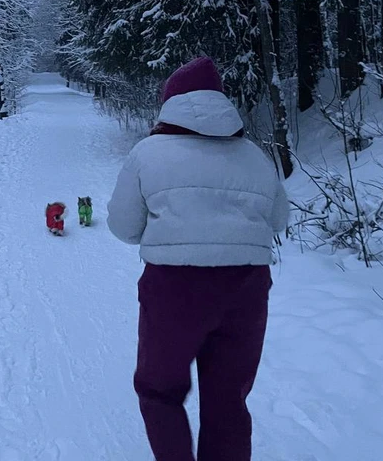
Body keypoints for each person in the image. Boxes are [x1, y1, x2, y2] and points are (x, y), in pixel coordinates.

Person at [107, 57, 289, 461]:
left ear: (171, 102)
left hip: (174, 289)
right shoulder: (254, 155)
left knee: (159, 390)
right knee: (228, 398)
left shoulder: (148, 153)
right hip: (247, 288)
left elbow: (123, 227)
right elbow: (279, 220)